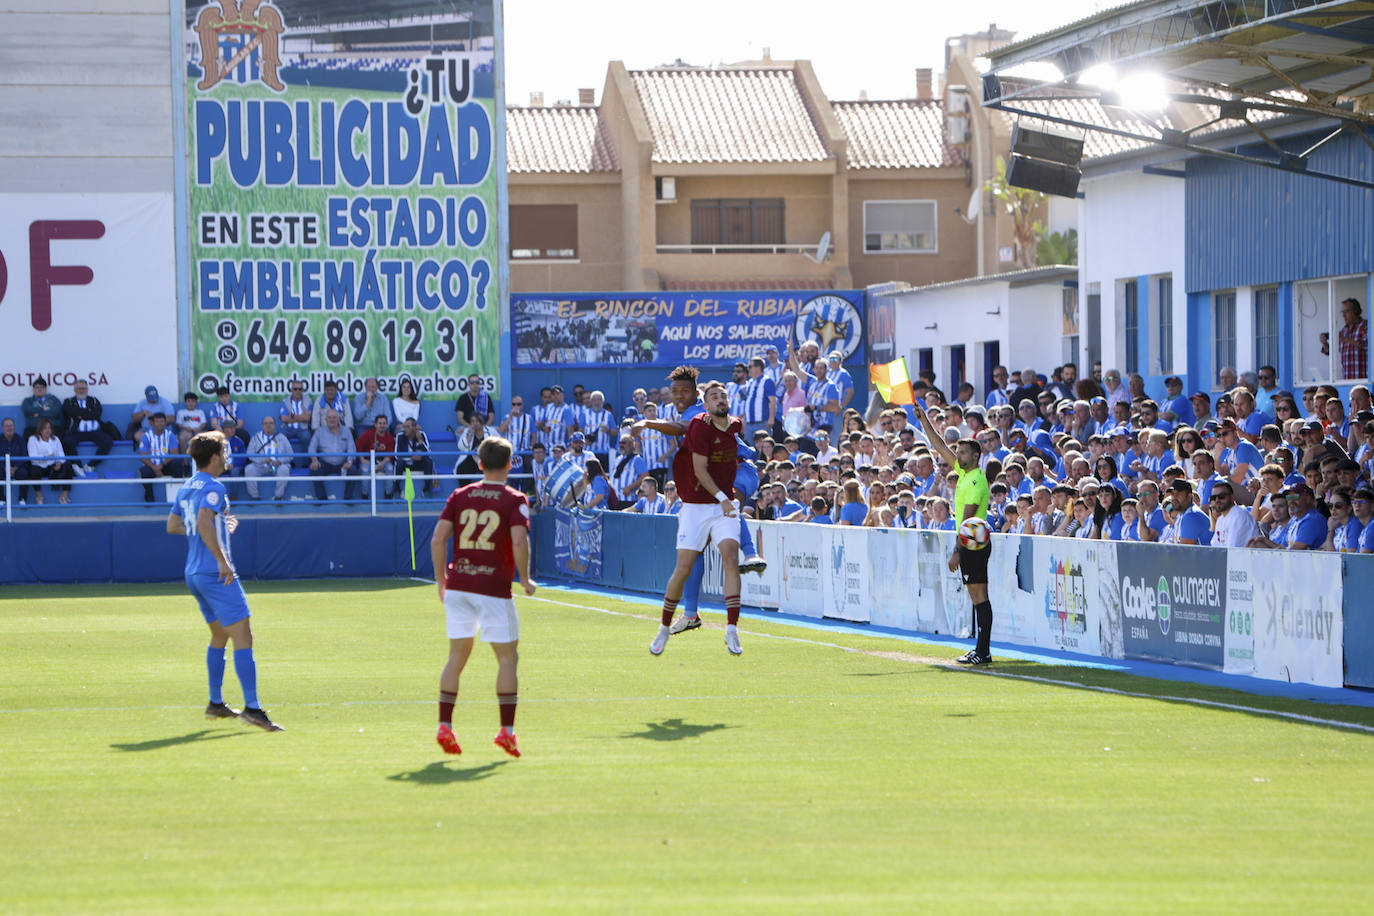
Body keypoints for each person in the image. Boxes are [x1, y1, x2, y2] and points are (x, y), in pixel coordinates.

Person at [166, 430, 283, 731]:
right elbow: (203, 522)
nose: (227, 456)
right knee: (244, 637)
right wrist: (221, 558)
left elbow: (174, 525)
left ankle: (216, 702)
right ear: (215, 457)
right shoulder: (214, 487)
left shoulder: (187, 486)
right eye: (225, 451)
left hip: (194, 573)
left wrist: (216, 528)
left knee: (220, 636)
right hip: (213, 573)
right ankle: (253, 708)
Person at [429, 436, 535, 758]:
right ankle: (507, 732)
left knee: (456, 657)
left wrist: (441, 581)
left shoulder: (460, 495)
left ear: (479, 463)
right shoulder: (514, 498)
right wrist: (525, 578)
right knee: (507, 658)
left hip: (459, 584)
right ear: (510, 464)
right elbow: (519, 541)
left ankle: (444, 725)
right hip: (493, 589)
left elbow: (437, 539)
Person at [649, 380, 747, 657]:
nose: (720, 399)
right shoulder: (698, 426)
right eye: (714, 396)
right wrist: (723, 498)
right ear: (705, 404)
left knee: (731, 558)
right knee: (683, 569)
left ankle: (731, 629)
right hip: (696, 507)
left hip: (723, 506)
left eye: (723, 396)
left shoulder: (736, 425)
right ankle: (664, 628)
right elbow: (701, 471)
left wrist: (727, 497)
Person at [915, 402, 994, 665]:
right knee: (977, 597)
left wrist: (957, 551)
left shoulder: (975, 480)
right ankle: (981, 649)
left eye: (963, 452)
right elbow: (939, 446)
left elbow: (969, 520)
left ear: (976, 455)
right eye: (958, 452)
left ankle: (983, 651)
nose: (957, 456)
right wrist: (924, 420)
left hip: (972, 542)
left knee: (980, 597)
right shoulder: (964, 472)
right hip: (970, 541)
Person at [62, 379, 115, 474]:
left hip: (94, 432)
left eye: (83, 388)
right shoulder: (68, 401)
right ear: (75, 390)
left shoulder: (94, 400)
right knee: (67, 441)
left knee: (108, 440)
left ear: (87, 390)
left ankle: (91, 466)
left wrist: (80, 414)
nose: (81, 391)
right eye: (79, 388)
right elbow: (71, 411)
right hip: (76, 432)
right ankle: (78, 466)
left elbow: (97, 414)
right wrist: (88, 412)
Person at [137, 413, 189, 503]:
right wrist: (155, 468)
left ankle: (179, 496)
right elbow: (143, 456)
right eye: (157, 421)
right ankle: (149, 498)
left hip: (166, 465)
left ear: (165, 423)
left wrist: (161, 466)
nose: (160, 424)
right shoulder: (146, 436)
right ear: (153, 423)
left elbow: (174, 453)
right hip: (152, 466)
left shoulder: (170, 435)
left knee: (177, 464)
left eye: (162, 421)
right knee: (145, 471)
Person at [308, 408, 358, 500]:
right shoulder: (319, 431)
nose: (332, 420)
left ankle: (348, 498)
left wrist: (349, 461)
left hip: (342, 463)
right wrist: (314, 460)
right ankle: (322, 498)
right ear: (326, 419)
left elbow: (352, 448)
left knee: (353, 470)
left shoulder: (346, 431)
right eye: (329, 417)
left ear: (338, 419)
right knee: (314, 469)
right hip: (325, 463)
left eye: (334, 417)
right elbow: (311, 448)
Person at [23, 418, 73, 505]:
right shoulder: (33, 439)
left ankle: (64, 496)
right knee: (34, 471)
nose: (47, 430)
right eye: (45, 428)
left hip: (53, 466)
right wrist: (46, 457)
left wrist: (59, 462)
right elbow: (33, 457)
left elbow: (61, 454)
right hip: (39, 466)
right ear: (40, 429)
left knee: (68, 466)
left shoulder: (56, 439)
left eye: (49, 428)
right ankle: (39, 496)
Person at [245, 415, 293, 500]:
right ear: (262, 425)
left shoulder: (282, 437)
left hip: (278, 465)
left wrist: (280, 461)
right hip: (261, 465)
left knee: (284, 469)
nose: (268, 425)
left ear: (275, 425)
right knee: (249, 469)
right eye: (266, 423)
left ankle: (278, 497)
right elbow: (249, 453)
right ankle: (254, 497)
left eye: (271, 423)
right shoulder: (256, 437)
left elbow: (290, 454)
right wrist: (262, 460)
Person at [1321, 297, 1368, 380]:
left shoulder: (1365, 325)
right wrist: (1325, 343)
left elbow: (1367, 345)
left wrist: (1346, 339)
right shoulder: (1344, 331)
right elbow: (1332, 353)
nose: (1343, 315)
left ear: (1356, 311)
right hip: (1347, 381)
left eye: (1346, 311)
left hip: (1364, 381)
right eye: (1342, 312)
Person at [356, 414, 397, 499]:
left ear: (387, 425)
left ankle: (388, 494)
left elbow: (390, 454)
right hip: (369, 461)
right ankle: (364, 495)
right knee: (364, 469)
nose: (382, 425)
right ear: (375, 425)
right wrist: (362, 459)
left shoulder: (390, 438)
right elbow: (358, 445)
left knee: (390, 468)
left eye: (384, 423)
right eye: (380, 423)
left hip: (383, 462)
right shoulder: (368, 434)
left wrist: (382, 463)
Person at [1208, 480, 1258, 548]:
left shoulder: (1238, 515)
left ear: (1232, 497)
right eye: (1213, 498)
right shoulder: (1220, 519)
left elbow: (1232, 549)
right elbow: (1215, 548)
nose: (1217, 500)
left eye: (1221, 496)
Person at [741, 355, 778, 441]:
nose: (748, 369)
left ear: (758, 367)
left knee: (763, 447)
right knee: (749, 448)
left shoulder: (767, 381)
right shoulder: (750, 382)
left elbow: (773, 401)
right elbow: (747, 403)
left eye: (750, 366)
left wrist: (771, 418)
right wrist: (744, 422)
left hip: (762, 423)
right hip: (749, 424)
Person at [396, 417, 436, 494]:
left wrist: (420, 441)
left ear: (414, 428)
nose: (405, 429)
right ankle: (397, 489)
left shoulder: (421, 435)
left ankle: (426, 489)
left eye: (407, 427)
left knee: (428, 461)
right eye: (404, 427)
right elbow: (396, 455)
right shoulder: (400, 436)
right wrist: (411, 457)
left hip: (419, 463)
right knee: (399, 462)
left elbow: (428, 453)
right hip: (405, 464)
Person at [277, 380, 313, 461]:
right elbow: (283, 418)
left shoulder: (308, 400)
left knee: (307, 437)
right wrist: (302, 417)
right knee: (280, 436)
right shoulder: (286, 401)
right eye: (295, 389)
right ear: (291, 390)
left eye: (300, 389)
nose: (297, 391)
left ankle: (306, 463)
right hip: (288, 428)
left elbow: (307, 418)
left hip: (303, 429)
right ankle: (285, 461)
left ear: (303, 390)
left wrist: (292, 416)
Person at [0, 417, 25, 505]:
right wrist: (5, 468)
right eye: (7, 426)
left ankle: (22, 499)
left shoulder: (20, 439)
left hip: (17, 468)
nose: (9, 428)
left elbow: (24, 455)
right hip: (2, 468)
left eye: (11, 425)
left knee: (24, 473)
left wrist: (15, 468)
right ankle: (1, 499)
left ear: (14, 427)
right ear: (2, 428)